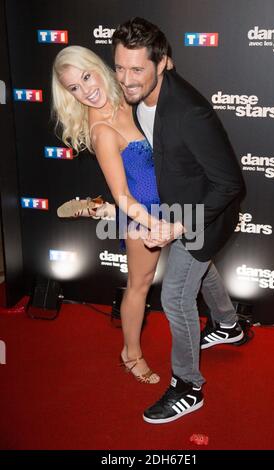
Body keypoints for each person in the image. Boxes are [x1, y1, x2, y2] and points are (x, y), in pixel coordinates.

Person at [112, 17, 245, 424]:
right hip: (178, 206)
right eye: (119, 67)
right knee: (199, 274)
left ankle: (188, 386)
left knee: (174, 296)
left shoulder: (189, 112)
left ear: (163, 62)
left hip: (205, 214)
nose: (126, 79)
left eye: (137, 69)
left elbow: (230, 185)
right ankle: (228, 324)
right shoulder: (139, 99)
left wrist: (180, 225)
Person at [52, 45, 177, 384]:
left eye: (86, 77)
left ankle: (99, 209)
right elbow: (123, 195)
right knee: (139, 285)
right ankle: (131, 354)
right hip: (142, 214)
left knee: (199, 264)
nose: (86, 90)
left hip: (166, 203)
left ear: (96, 67)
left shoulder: (123, 96)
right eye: (74, 88)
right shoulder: (102, 132)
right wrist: (156, 224)